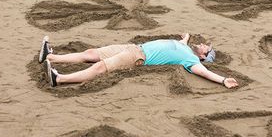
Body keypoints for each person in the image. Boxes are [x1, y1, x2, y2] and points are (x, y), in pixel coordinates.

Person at [39, 34, 239, 89]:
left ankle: (60, 79)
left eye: (206, 47)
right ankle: (51, 56)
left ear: (204, 56)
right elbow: (184, 39)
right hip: (133, 47)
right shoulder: (184, 46)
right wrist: (186, 38)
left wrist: (222, 80)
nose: (203, 44)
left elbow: (204, 72)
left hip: (138, 57)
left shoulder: (191, 59)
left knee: (100, 67)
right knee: (92, 53)